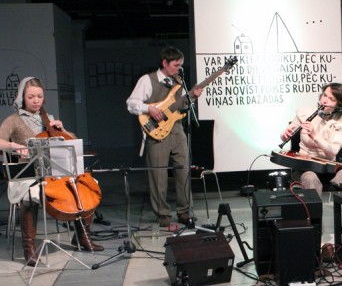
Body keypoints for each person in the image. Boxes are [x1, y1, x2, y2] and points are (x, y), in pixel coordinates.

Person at [0, 77, 104, 267]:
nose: (36, 100)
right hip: (29, 172)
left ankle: (82, 236)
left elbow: (71, 140)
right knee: (29, 196)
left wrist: (62, 129)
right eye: (31, 97)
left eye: (39, 96)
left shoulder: (48, 118)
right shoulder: (13, 120)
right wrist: (15, 146)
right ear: (22, 98)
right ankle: (29, 248)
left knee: (88, 186)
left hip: (54, 172)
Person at [126, 46, 203, 227]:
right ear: (165, 63)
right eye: (176, 65)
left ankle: (184, 211)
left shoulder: (179, 81)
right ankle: (163, 214)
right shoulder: (147, 80)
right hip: (157, 131)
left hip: (177, 129)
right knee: (158, 175)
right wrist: (149, 108)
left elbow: (182, 106)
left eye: (180, 65)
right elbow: (131, 103)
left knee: (183, 170)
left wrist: (192, 97)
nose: (179, 68)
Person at [280, 83, 342, 227]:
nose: (325, 100)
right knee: (311, 179)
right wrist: (285, 134)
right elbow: (286, 133)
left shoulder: (341, 121)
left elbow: (333, 151)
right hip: (305, 167)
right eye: (325, 95)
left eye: (331, 99)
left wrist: (315, 136)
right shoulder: (305, 113)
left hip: (328, 167)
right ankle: (315, 228)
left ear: (339, 104)